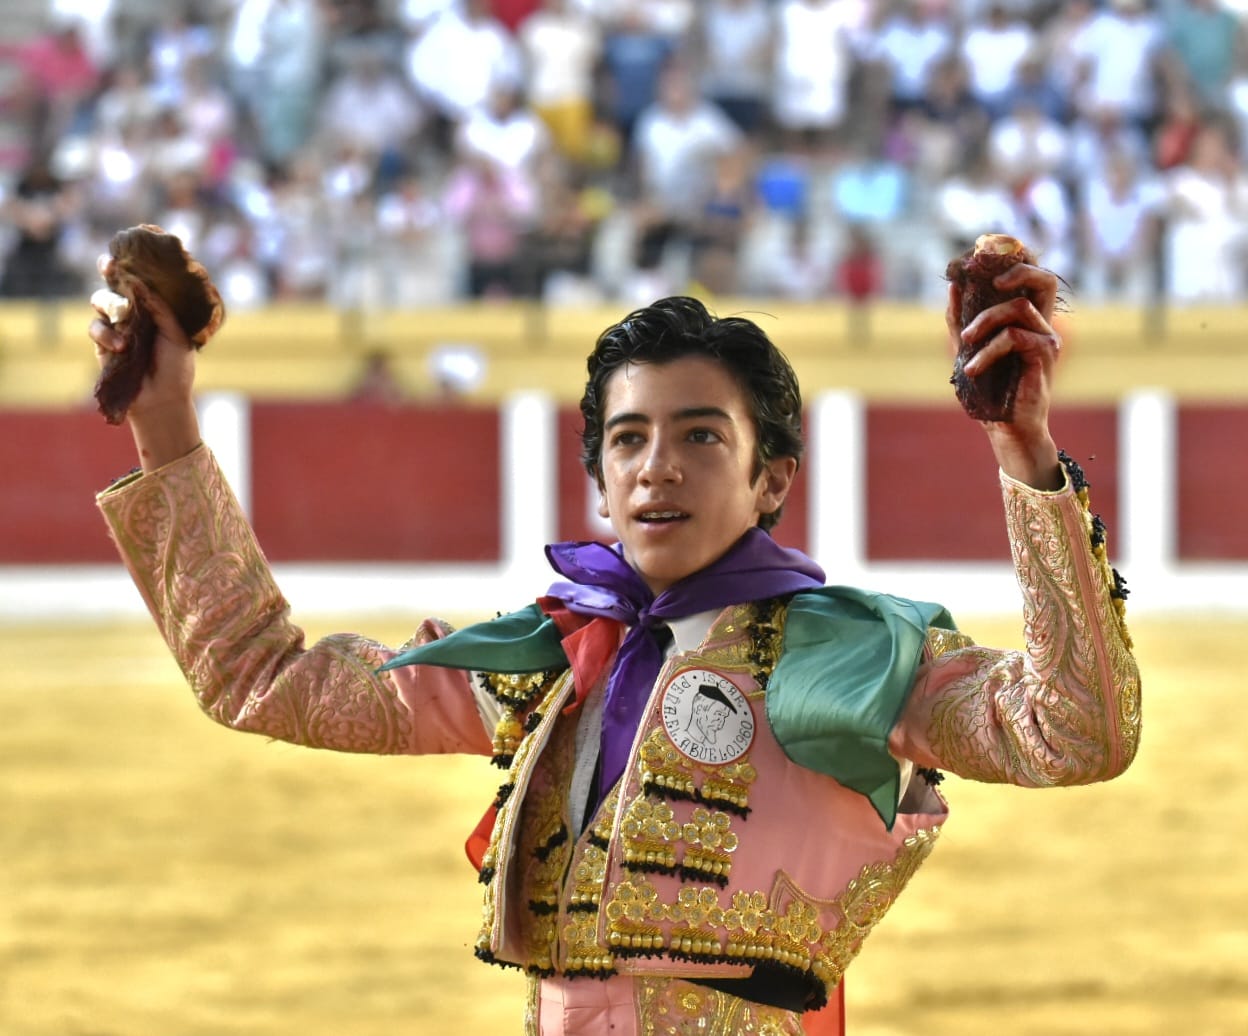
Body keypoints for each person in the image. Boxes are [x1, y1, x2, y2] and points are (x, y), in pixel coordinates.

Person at [88, 265, 1140, 1034]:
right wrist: (165, 424)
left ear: (772, 479)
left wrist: (1025, 456)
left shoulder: (847, 651)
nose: (657, 469)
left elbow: (1075, 730)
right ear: (597, 481)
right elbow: (262, 678)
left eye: (701, 436)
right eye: (629, 439)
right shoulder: (549, 658)